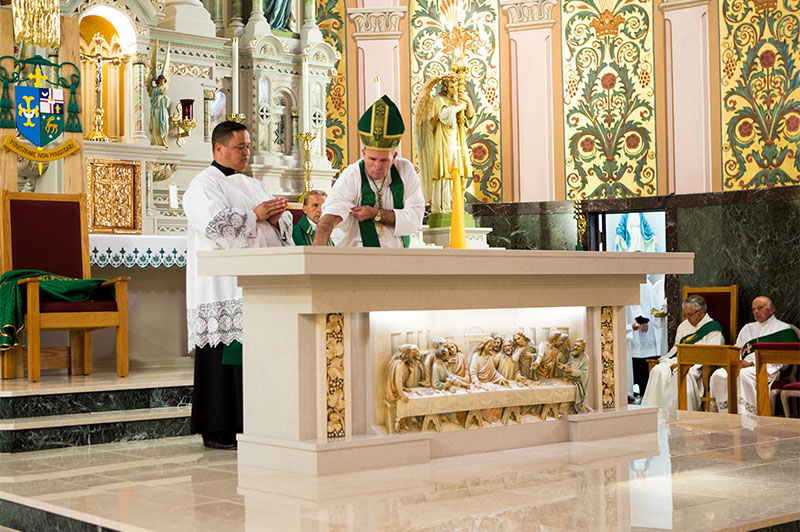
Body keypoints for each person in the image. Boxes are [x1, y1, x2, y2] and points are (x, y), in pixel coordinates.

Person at [183, 121, 293, 450]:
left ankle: (254, 424)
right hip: (223, 286)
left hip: (261, 283)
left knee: (256, 357)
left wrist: (276, 218)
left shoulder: (255, 184)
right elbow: (215, 225)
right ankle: (219, 428)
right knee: (224, 357)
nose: (246, 153)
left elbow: (281, 224)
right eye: (239, 147)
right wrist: (255, 215)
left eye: (248, 147)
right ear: (219, 149)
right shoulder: (202, 185)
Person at [313, 96, 424, 247]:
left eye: (384, 160)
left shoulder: (405, 170)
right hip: (359, 257)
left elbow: (415, 218)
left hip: (398, 256)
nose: (377, 166)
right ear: (363, 153)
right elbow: (332, 213)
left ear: (394, 157)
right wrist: (318, 248)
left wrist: (376, 214)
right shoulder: (352, 174)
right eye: (372, 159)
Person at [709, 296, 800, 414]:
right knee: (718, 374)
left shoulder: (782, 329)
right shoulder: (747, 328)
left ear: (771, 309)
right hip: (742, 365)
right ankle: (725, 413)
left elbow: (786, 358)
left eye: (760, 308)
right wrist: (737, 362)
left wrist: (752, 364)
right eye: (753, 309)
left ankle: (746, 415)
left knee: (741, 375)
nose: (756, 311)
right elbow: (737, 349)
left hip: (767, 368)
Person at [640, 295, 724, 411]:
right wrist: (672, 362)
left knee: (681, 374)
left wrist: (684, 364)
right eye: (685, 315)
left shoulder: (713, 328)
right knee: (658, 370)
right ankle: (653, 413)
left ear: (701, 313)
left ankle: (680, 414)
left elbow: (712, 354)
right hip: (677, 359)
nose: (687, 318)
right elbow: (675, 349)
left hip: (696, 367)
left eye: (690, 315)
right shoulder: (684, 326)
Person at [415, 71, 475, 214]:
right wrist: (459, 107)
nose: (455, 89)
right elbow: (443, 116)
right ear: (446, 87)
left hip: (457, 139)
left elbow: (470, 120)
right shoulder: (439, 100)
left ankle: (458, 205)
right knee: (446, 170)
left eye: (456, 86)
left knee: (460, 169)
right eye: (452, 87)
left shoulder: (458, 100)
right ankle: (445, 207)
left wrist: (467, 101)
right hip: (444, 141)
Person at [558, 338, 590, 414]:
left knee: (565, 399)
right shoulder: (572, 354)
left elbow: (583, 373)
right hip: (569, 380)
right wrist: (564, 366)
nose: (575, 347)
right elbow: (570, 364)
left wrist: (572, 371)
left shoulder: (585, 359)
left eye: (578, 346)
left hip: (577, 383)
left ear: (583, 348)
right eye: (575, 345)